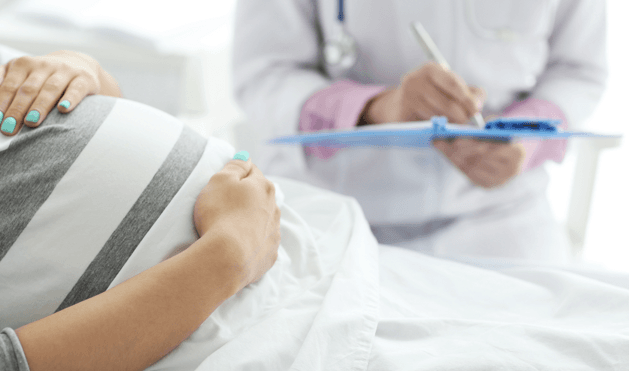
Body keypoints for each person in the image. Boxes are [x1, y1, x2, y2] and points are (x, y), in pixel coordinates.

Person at [0, 3, 629, 371]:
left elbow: (26, 148)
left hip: (321, 258)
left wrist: (82, 74)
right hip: (241, 346)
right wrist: (226, 252)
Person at [232, 0, 608, 264]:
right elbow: (266, 75)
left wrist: (525, 140)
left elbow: (578, 70)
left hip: (502, 220)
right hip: (335, 217)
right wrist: (378, 108)